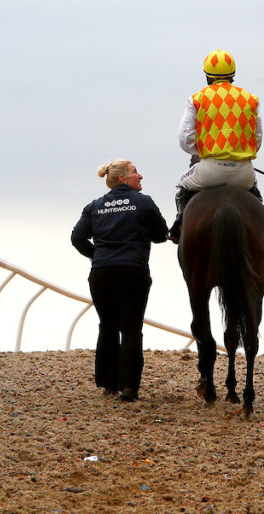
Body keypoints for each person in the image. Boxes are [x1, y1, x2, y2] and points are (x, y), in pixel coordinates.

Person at [71, 159, 168, 402]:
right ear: (123, 178)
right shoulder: (143, 202)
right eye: (135, 172)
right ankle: (129, 387)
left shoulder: (94, 206)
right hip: (132, 270)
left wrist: (98, 255)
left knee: (107, 326)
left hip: (102, 272)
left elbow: (77, 237)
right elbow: (161, 234)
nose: (140, 176)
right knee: (131, 328)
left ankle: (108, 383)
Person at [168, 48, 264, 243]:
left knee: (181, 186)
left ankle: (178, 227)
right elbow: (257, 138)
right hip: (243, 173)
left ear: (207, 75)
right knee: (254, 189)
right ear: (233, 74)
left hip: (209, 170)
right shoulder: (251, 99)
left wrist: (203, 151)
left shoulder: (196, 99)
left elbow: (185, 139)